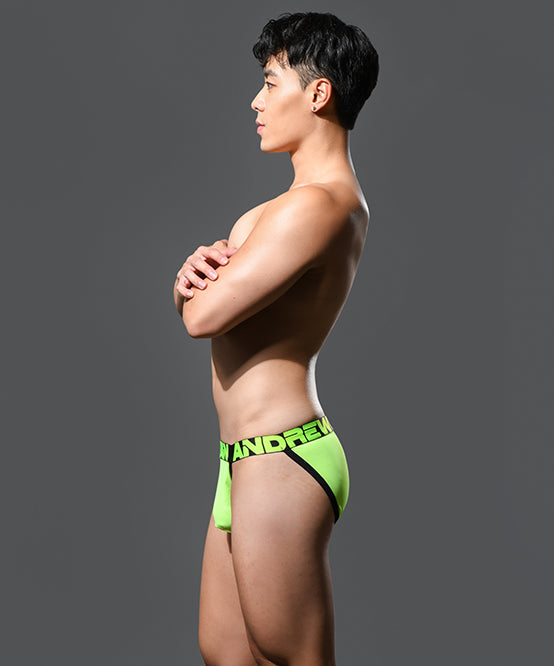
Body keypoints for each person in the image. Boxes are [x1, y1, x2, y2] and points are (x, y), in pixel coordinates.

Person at [173, 12, 379, 666]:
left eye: (269, 83)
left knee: (289, 654)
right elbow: (205, 304)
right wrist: (188, 281)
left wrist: (191, 294)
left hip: (280, 457)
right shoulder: (281, 209)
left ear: (318, 93)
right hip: (243, 457)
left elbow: (203, 318)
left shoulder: (318, 206)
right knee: (228, 653)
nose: (255, 102)